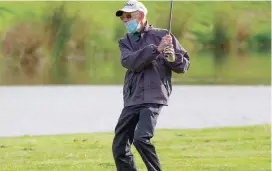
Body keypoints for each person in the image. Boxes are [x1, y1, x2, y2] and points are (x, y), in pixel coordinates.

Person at [112, 1, 190, 171]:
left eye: (128, 16)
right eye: (123, 17)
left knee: (141, 138)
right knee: (119, 145)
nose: (125, 20)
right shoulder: (125, 41)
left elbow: (183, 66)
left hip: (154, 97)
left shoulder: (163, 35)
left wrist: (172, 58)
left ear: (140, 15)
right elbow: (130, 62)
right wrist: (157, 49)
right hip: (132, 98)